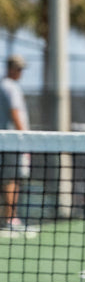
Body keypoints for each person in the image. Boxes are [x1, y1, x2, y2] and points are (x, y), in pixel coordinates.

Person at [0, 55, 30, 232]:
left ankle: (10, 219)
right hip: (13, 141)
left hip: (8, 141)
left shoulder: (4, 85)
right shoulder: (10, 87)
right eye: (19, 69)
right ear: (11, 68)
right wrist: (24, 138)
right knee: (12, 179)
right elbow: (15, 113)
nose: (21, 73)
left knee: (10, 179)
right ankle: (11, 220)